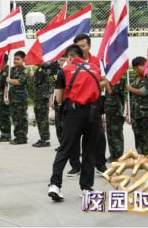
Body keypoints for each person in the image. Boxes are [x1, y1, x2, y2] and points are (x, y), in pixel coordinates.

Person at [48, 45, 102, 201]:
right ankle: (86, 189)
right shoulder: (95, 68)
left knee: (65, 149)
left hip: (74, 113)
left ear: (69, 58)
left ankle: (55, 185)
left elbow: (59, 99)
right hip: (94, 113)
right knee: (89, 150)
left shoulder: (64, 71)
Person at [69, 34, 107, 175]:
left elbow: (104, 81)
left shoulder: (96, 62)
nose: (80, 49)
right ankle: (75, 166)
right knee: (73, 135)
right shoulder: (70, 62)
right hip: (75, 104)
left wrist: (91, 85)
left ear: (89, 46)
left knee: (98, 135)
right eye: (77, 46)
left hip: (93, 103)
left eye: (83, 46)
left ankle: (100, 165)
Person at [126, 57, 148, 158]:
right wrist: (127, 114)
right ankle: (141, 160)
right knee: (138, 140)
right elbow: (128, 99)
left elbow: (143, 92)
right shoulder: (132, 80)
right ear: (135, 68)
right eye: (142, 65)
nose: (145, 67)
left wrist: (130, 88)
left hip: (146, 115)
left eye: (145, 65)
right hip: (135, 115)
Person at [4, 51, 32, 145]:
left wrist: (10, 80)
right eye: (15, 59)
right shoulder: (11, 70)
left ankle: (23, 137)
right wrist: (5, 96)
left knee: (22, 118)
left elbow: (19, 81)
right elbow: (6, 84)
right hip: (12, 98)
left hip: (21, 99)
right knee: (15, 118)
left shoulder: (24, 71)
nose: (15, 61)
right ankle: (17, 136)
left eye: (18, 59)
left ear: (23, 60)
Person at [104, 76, 126, 163]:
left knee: (116, 133)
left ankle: (119, 155)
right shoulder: (109, 79)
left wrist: (107, 82)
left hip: (117, 110)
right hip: (109, 109)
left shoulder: (119, 79)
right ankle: (113, 154)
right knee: (109, 133)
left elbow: (111, 91)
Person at [31, 62, 51, 147]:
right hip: (38, 97)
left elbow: (35, 81)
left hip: (42, 98)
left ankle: (46, 140)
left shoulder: (41, 70)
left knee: (43, 119)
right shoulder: (39, 69)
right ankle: (43, 138)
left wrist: (32, 76)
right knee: (39, 119)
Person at [50, 56, 67, 151]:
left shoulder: (68, 71)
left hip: (66, 102)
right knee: (58, 124)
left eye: (63, 60)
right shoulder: (57, 72)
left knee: (65, 124)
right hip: (57, 101)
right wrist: (51, 99)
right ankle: (61, 144)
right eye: (60, 60)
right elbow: (54, 87)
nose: (61, 62)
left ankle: (66, 144)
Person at [0, 54, 11, 142]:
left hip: (2, 96)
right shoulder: (3, 70)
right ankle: (3, 134)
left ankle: (6, 135)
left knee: (4, 116)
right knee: (0, 115)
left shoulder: (6, 70)